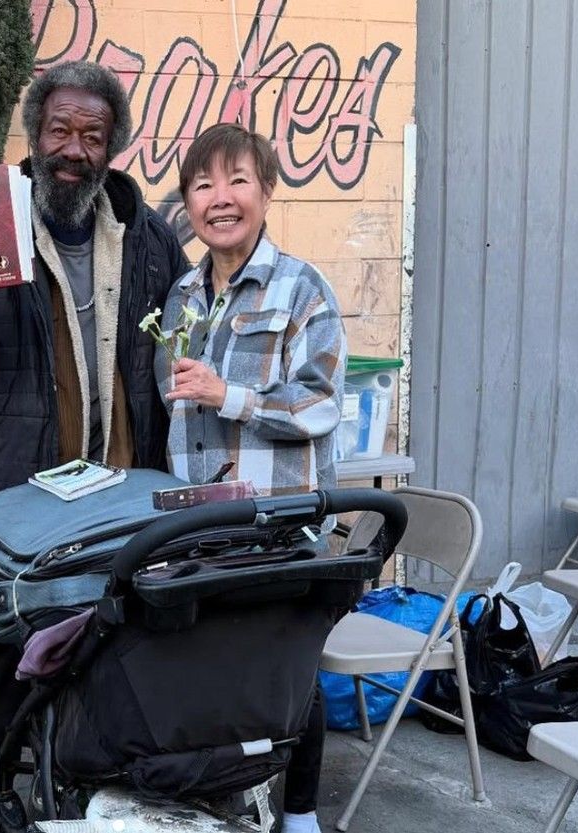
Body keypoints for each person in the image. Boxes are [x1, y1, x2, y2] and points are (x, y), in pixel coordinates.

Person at [0, 60, 189, 833]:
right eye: (60, 129)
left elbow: (190, 338)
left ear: (111, 148)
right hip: (16, 499)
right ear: (35, 136)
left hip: (123, 496)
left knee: (117, 654)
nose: (74, 148)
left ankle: (101, 794)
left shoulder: (148, 238)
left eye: (92, 135)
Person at [155, 122, 346, 833]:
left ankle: (299, 814)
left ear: (267, 189)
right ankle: (227, 797)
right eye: (203, 185)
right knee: (217, 665)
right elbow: (171, 401)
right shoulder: (181, 296)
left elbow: (323, 404)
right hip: (205, 523)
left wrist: (225, 394)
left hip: (282, 521)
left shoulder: (303, 289)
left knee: (289, 670)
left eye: (238, 180)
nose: (221, 198)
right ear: (188, 203)